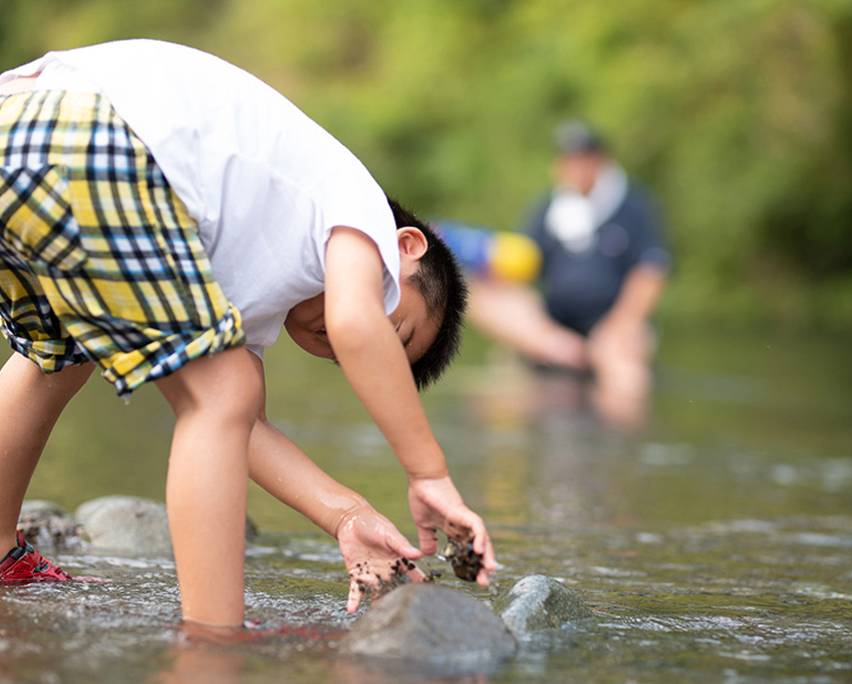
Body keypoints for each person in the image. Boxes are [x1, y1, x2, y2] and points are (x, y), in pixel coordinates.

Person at [0, 39, 496, 632]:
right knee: (223, 392)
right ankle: (212, 644)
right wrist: (427, 471)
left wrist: (347, 515)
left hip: (18, 128)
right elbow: (353, 324)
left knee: (63, 355)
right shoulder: (359, 212)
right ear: (405, 248)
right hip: (88, 133)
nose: (347, 346)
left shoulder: (245, 283)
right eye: (395, 330)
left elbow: (245, 432)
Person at [468, 121, 671, 428]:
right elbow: (521, 265)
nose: (574, 166)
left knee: (626, 373)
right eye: (568, 158)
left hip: (612, 321)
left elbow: (651, 272)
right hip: (554, 323)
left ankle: (623, 434)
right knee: (477, 292)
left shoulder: (633, 205)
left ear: (600, 161)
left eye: (583, 158)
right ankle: (552, 348)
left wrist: (619, 326)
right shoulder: (549, 207)